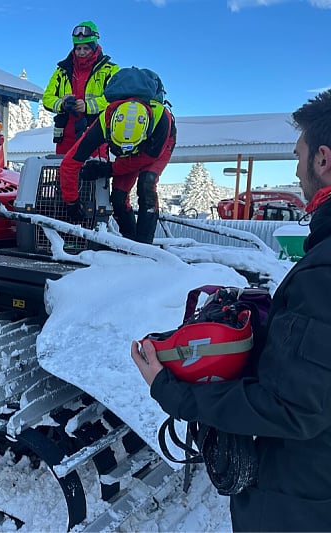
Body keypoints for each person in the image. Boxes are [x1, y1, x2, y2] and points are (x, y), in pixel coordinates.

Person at [130, 90, 331, 531]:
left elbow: (293, 408)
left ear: (323, 159)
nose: (296, 173)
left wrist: (172, 389)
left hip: (300, 504)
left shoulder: (324, 271)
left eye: (298, 157)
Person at [59, 92, 176, 244]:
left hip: (158, 145)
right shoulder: (103, 123)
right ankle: (130, 240)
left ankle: (145, 244)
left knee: (147, 183)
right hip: (132, 146)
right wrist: (71, 201)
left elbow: (146, 159)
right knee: (118, 197)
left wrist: (108, 169)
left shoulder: (162, 120)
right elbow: (69, 164)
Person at [41, 21, 118, 156]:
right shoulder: (62, 71)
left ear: (94, 47)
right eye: (78, 48)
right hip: (66, 136)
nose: (81, 52)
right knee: (64, 172)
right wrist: (62, 104)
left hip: (95, 133)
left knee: (93, 173)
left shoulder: (110, 70)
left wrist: (88, 106)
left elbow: (115, 99)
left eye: (86, 48)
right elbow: (47, 98)